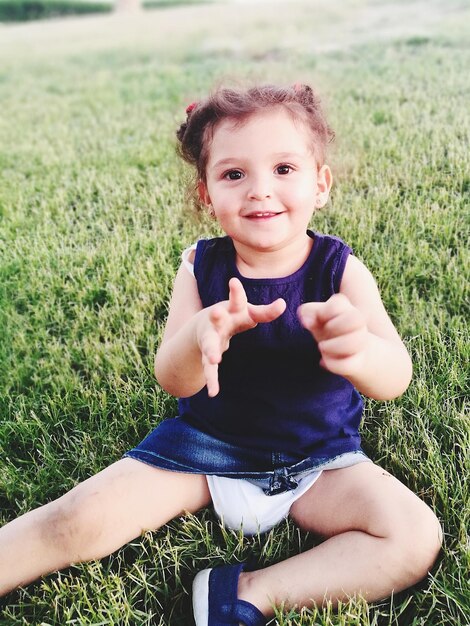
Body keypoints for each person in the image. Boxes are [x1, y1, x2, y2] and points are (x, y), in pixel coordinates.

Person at [0, 84, 442, 626]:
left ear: (320, 183)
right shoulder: (200, 268)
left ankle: (250, 594)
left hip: (320, 461)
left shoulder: (339, 270)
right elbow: (173, 378)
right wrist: (198, 339)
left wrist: (358, 351)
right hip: (204, 453)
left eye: (284, 169)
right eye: (234, 174)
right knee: (77, 520)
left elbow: (396, 375)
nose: (260, 190)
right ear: (207, 195)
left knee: (413, 535)